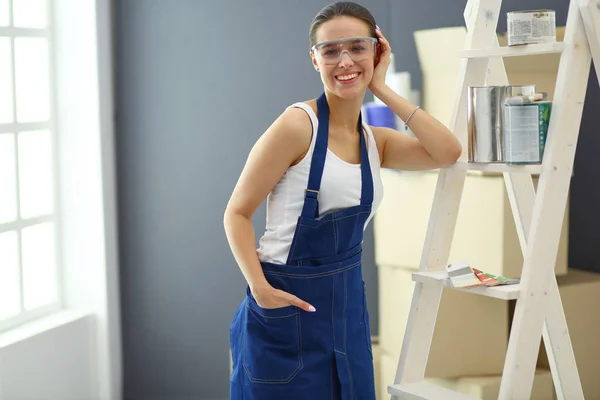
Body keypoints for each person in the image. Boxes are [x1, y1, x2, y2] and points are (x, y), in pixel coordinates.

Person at [224, 2, 462, 398]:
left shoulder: (375, 141)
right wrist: (261, 290)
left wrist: (381, 88)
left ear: (377, 52)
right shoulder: (297, 126)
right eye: (331, 50)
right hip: (286, 311)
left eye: (357, 47)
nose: (345, 60)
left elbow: (447, 152)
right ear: (314, 59)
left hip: (347, 314)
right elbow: (237, 212)